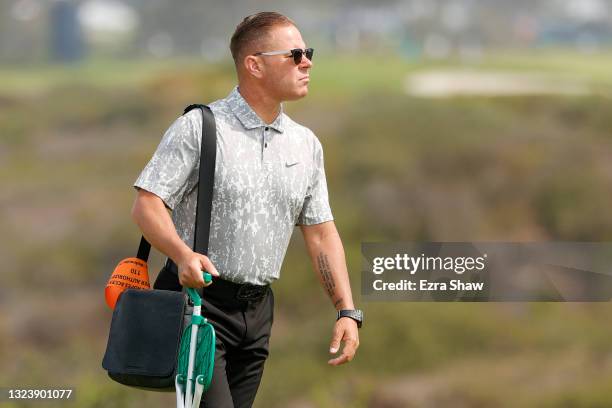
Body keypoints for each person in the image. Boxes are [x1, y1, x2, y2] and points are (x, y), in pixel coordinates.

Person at [130, 11, 362, 408]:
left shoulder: (306, 145)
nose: (307, 62)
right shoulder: (199, 126)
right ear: (254, 65)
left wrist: (347, 311)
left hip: (258, 314)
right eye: (294, 54)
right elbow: (147, 204)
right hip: (199, 306)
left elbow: (321, 233)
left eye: (308, 52)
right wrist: (183, 256)